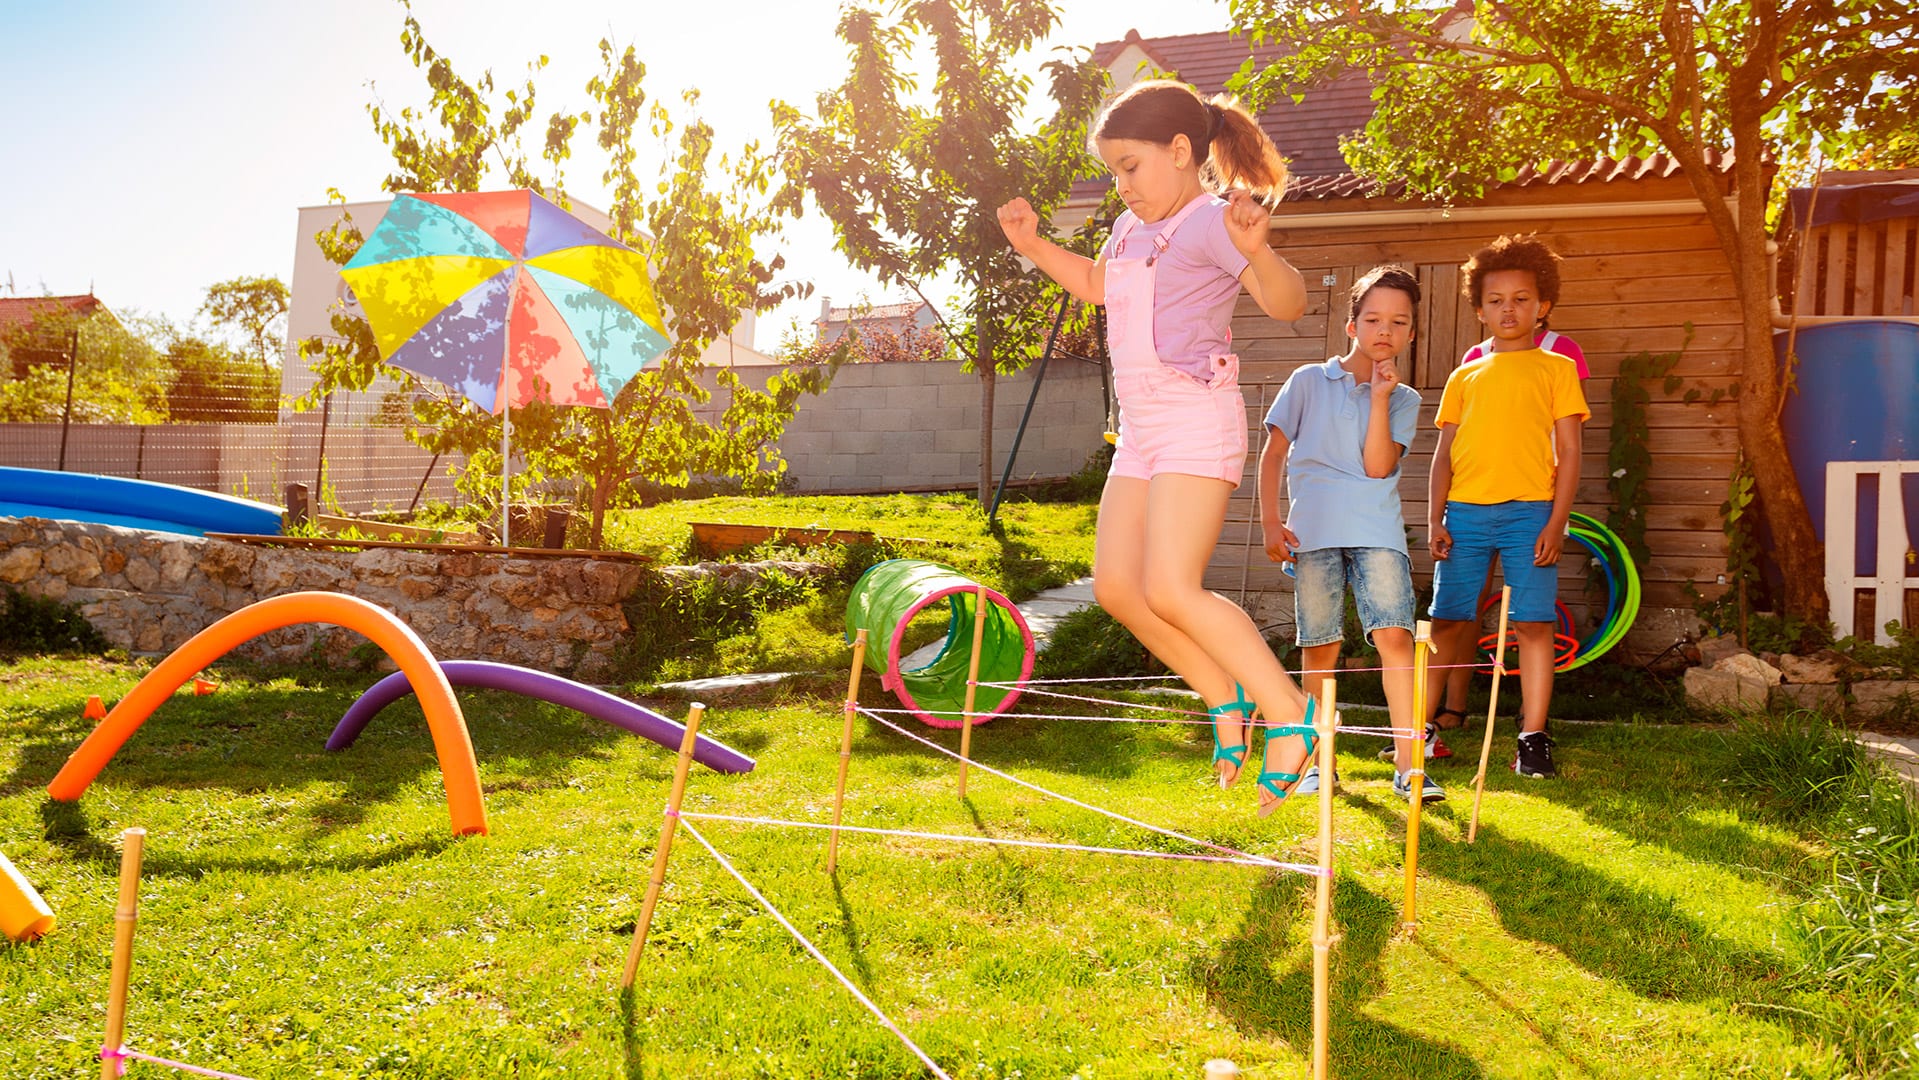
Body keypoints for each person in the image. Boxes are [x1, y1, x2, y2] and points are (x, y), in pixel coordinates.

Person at [996, 79, 1316, 816]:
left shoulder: (1212, 223)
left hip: (1194, 419)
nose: (1122, 184)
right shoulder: (1126, 229)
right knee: (1116, 588)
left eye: (1130, 166)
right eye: (1112, 171)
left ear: (1180, 152)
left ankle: (1292, 714)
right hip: (1139, 429)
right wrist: (1033, 245)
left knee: (1172, 587)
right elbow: (1096, 286)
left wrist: (1257, 253)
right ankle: (1224, 697)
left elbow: (1288, 303)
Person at [1258, 265, 1443, 803]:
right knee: (1321, 647)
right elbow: (1273, 454)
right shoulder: (1307, 381)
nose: (1385, 330)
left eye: (1399, 322)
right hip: (1312, 531)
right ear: (1352, 324)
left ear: (1411, 333)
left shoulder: (1405, 399)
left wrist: (1381, 399)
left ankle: (1410, 769)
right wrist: (1272, 520)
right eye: (1374, 319)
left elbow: (1379, 466)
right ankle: (1318, 764)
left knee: (1396, 639)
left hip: (1376, 531)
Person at [1425, 235, 1590, 779]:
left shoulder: (1556, 370)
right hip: (1465, 515)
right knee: (1447, 622)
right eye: (1496, 300)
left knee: (1533, 625)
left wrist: (1556, 521)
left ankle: (1533, 737)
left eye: (1522, 299)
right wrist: (1435, 519)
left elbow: (1569, 451)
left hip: (1530, 514)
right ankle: (1420, 731)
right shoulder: (1463, 376)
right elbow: (1443, 455)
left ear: (1543, 306)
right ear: (1479, 309)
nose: (1509, 309)